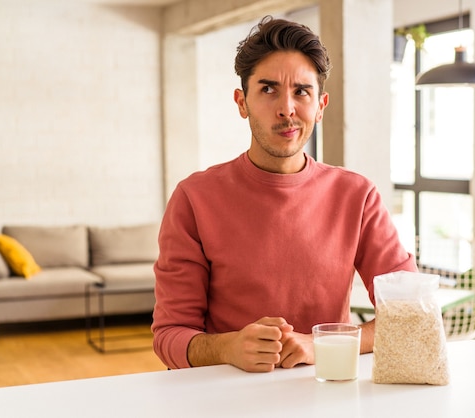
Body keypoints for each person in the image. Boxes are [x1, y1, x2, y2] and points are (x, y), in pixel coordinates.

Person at [151, 15, 417, 372]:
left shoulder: (357, 195)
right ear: (242, 102)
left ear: (320, 106)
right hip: (221, 399)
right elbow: (169, 334)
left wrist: (324, 343)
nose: (286, 109)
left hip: (325, 391)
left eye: (301, 91)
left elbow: (412, 313)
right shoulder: (194, 199)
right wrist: (228, 347)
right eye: (268, 89)